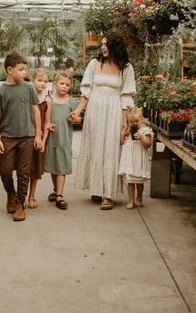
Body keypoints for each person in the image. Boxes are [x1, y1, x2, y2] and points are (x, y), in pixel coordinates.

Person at [69, 32, 136, 210]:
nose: (103, 47)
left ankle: (108, 195)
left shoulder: (126, 68)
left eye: (107, 44)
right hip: (94, 112)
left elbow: (126, 97)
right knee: (95, 147)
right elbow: (86, 92)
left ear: (116, 47)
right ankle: (97, 187)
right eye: (102, 44)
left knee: (111, 150)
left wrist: (125, 124)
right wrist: (77, 112)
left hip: (113, 112)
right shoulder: (94, 63)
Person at [0, 53, 43, 222]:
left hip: (27, 137)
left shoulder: (28, 88)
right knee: (5, 170)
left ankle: (20, 204)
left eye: (25, 69)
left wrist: (38, 135)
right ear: (9, 70)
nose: (24, 73)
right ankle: (10, 194)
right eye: (21, 70)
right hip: (7, 137)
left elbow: (36, 111)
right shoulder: (1, 91)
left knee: (23, 172)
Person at [44, 72, 81, 210]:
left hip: (64, 139)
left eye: (67, 85)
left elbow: (78, 119)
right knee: (54, 165)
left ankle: (59, 195)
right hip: (52, 138)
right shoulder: (49, 99)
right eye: (62, 83)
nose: (64, 87)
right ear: (55, 83)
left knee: (61, 166)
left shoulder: (71, 101)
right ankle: (55, 189)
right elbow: (43, 117)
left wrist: (75, 119)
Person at [118, 106, 153, 208]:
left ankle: (139, 197)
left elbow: (148, 144)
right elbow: (122, 142)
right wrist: (122, 134)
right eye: (131, 122)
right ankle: (131, 200)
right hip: (129, 160)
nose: (133, 124)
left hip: (139, 159)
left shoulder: (145, 130)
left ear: (142, 119)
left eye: (136, 121)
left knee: (139, 182)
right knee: (130, 181)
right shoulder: (129, 130)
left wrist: (141, 138)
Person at [27, 68, 50, 209]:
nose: (43, 83)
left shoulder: (47, 100)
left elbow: (47, 123)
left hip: (39, 139)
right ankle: (20, 195)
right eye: (40, 80)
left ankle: (32, 196)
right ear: (32, 80)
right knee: (23, 168)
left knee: (35, 168)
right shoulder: (28, 98)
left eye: (46, 81)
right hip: (26, 136)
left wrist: (43, 141)